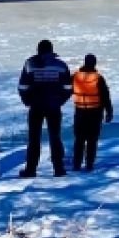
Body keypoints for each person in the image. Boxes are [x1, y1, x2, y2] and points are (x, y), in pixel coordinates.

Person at [18, 39, 73, 177]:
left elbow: (23, 86)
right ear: (51, 50)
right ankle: (58, 168)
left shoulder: (30, 63)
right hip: (54, 106)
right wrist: (60, 101)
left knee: (34, 139)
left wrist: (27, 101)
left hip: (35, 106)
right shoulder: (61, 65)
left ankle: (31, 169)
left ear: (38, 49)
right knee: (55, 137)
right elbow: (68, 88)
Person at [71, 53, 113, 172]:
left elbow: (66, 90)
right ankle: (89, 165)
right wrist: (109, 112)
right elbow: (105, 97)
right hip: (94, 113)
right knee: (92, 140)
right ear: (94, 63)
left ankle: (76, 165)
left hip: (79, 112)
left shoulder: (75, 76)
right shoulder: (98, 78)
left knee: (79, 140)